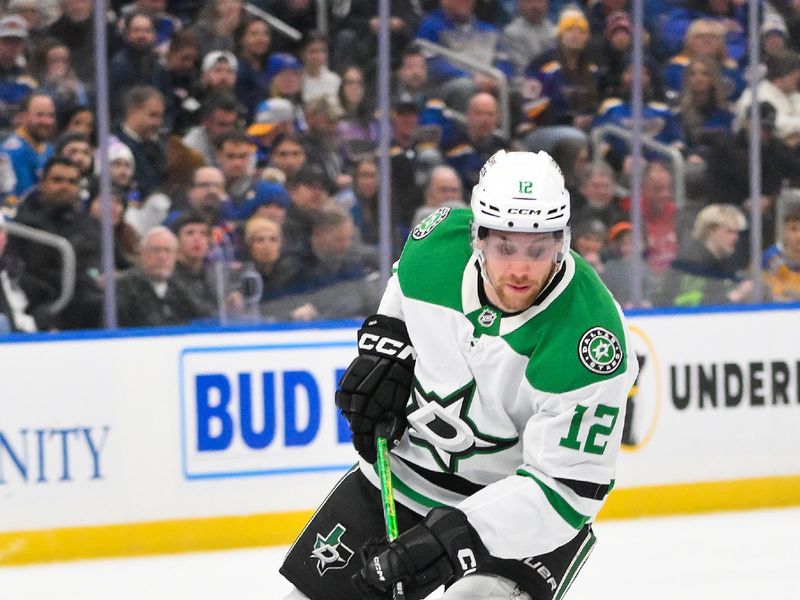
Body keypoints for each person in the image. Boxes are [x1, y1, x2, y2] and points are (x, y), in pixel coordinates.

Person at [279, 149, 639, 600]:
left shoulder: (592, 339)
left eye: (538, 248)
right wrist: (385, 353)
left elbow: (565, 492)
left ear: (562, 242)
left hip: (517, 512)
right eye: (504, 246)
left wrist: (452, 536)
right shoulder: (435, 248)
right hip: (406, 476)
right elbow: (400, 300)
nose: (521, 268)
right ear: (477, 237)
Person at [655, 203, 751, 307]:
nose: (735, 238)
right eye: (730, 232)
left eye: (737, 233)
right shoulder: (689, 264)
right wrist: (734, 296)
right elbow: (686, 303)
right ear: (711, 231)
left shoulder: (730, 262)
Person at [115, 225, 206, 327]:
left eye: (167, 250)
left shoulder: (183, 284)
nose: (162, 256)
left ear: (176, 255)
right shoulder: (124, 286)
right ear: (142, 253)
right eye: (156, 250)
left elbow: (206, 316)